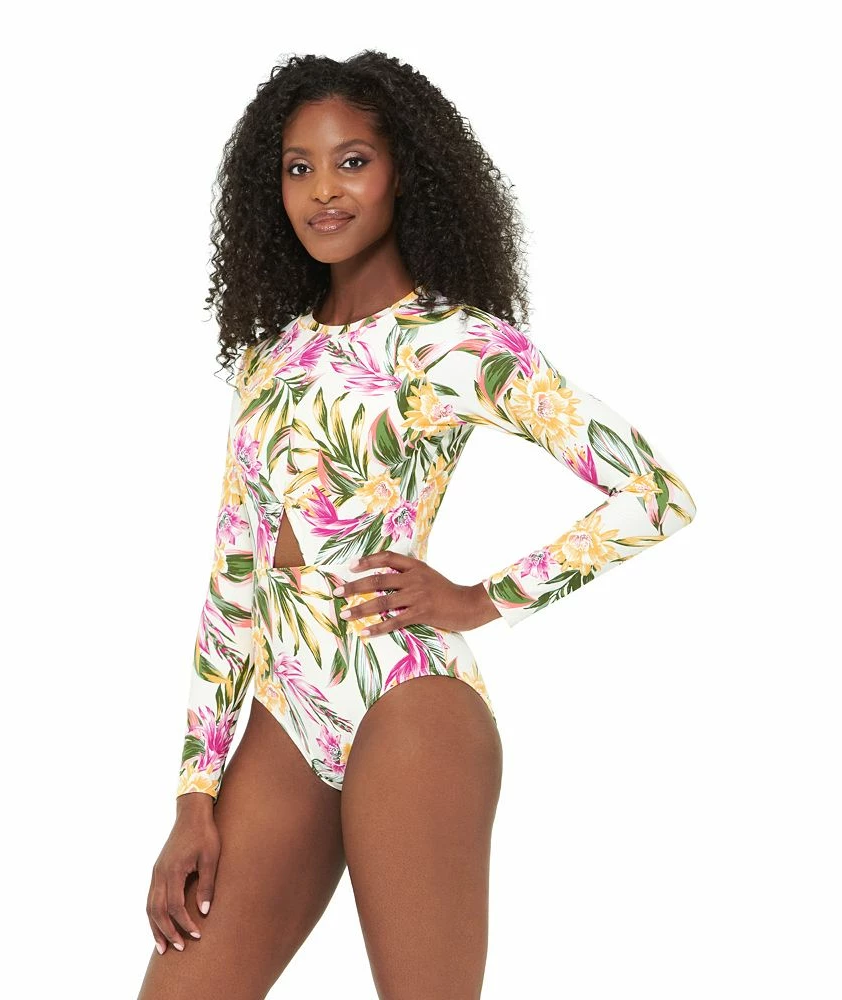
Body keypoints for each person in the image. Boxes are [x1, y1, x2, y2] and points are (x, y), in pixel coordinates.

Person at [138, 50, 698, 1000]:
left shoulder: (459, 344)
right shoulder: (269, 362)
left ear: (405, 171)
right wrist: (195, 793)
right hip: (287, 710)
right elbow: (234, 580)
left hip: (409, 702)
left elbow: (654, 494)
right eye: (300, 167)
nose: (324, 190)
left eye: (352, 161)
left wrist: (483, 598)